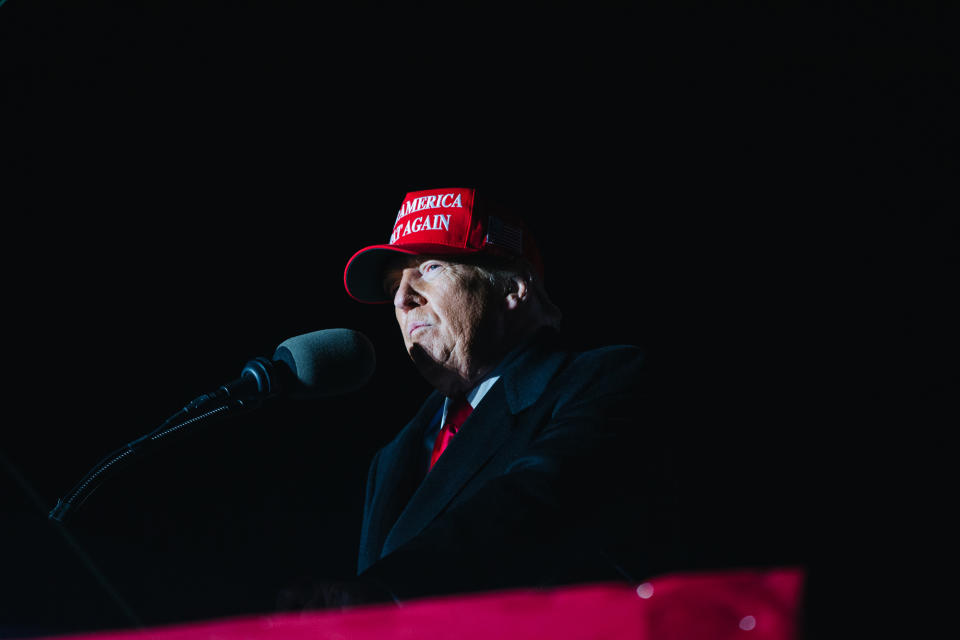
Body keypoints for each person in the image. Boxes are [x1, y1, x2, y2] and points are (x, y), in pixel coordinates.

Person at [282, 187, 677, 609]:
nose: (402, 298)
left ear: (513, 287)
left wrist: (384, 591)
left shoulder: (602, 378)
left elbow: (536, 502)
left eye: (430, 267)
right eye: (394, 283)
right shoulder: (391, 458)